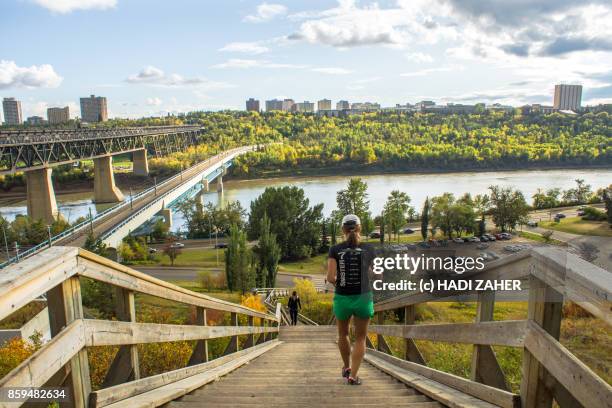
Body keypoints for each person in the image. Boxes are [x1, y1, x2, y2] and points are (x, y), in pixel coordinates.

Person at [327, 214, 375, 385]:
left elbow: (331, 277)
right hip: (363, 297)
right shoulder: (369, 249)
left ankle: (346, 367)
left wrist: (342, 283)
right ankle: (353, 376)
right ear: (360, 228)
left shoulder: (335, 249)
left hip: (342, 298)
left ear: (343, 230)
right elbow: (376, 274)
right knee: (360, 338)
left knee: (343, 333)